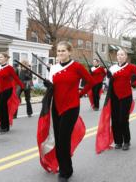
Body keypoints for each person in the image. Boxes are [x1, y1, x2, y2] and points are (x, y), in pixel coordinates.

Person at [39, 41, 95, 182]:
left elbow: (91, 81)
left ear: (70, 52)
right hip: (56, 107)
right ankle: (62, 165)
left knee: (63, 139)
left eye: (63, 51)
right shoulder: (54, 68)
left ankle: (66, 171)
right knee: (58, 140)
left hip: (71, 108)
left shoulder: (76, 66)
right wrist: (49, 85)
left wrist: (81, 94)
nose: (60, 53)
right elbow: (53, 88)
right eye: (58, 51)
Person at [97, 49, 136, 152]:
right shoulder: (112, 68)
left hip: (126, 96)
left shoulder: (130, 66)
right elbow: (107, 82)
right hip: (114, 96)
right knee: (115, 120)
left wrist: (134, 84)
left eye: (122, 54)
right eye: (118, 54)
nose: (120, 56)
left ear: (126, 56)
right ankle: (118, 141)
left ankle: (127, 141)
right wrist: (108, 77)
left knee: (123, 120)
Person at [0, 52, 24, 133]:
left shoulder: (9, 68)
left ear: (6, 58)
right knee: (3, 108)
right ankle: (5, 126)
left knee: (1, 107)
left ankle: (3, 126)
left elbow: (16, 78)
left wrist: (22, 86)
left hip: (8, 89)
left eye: (1, 57)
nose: (0, 59)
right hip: (0, 89)